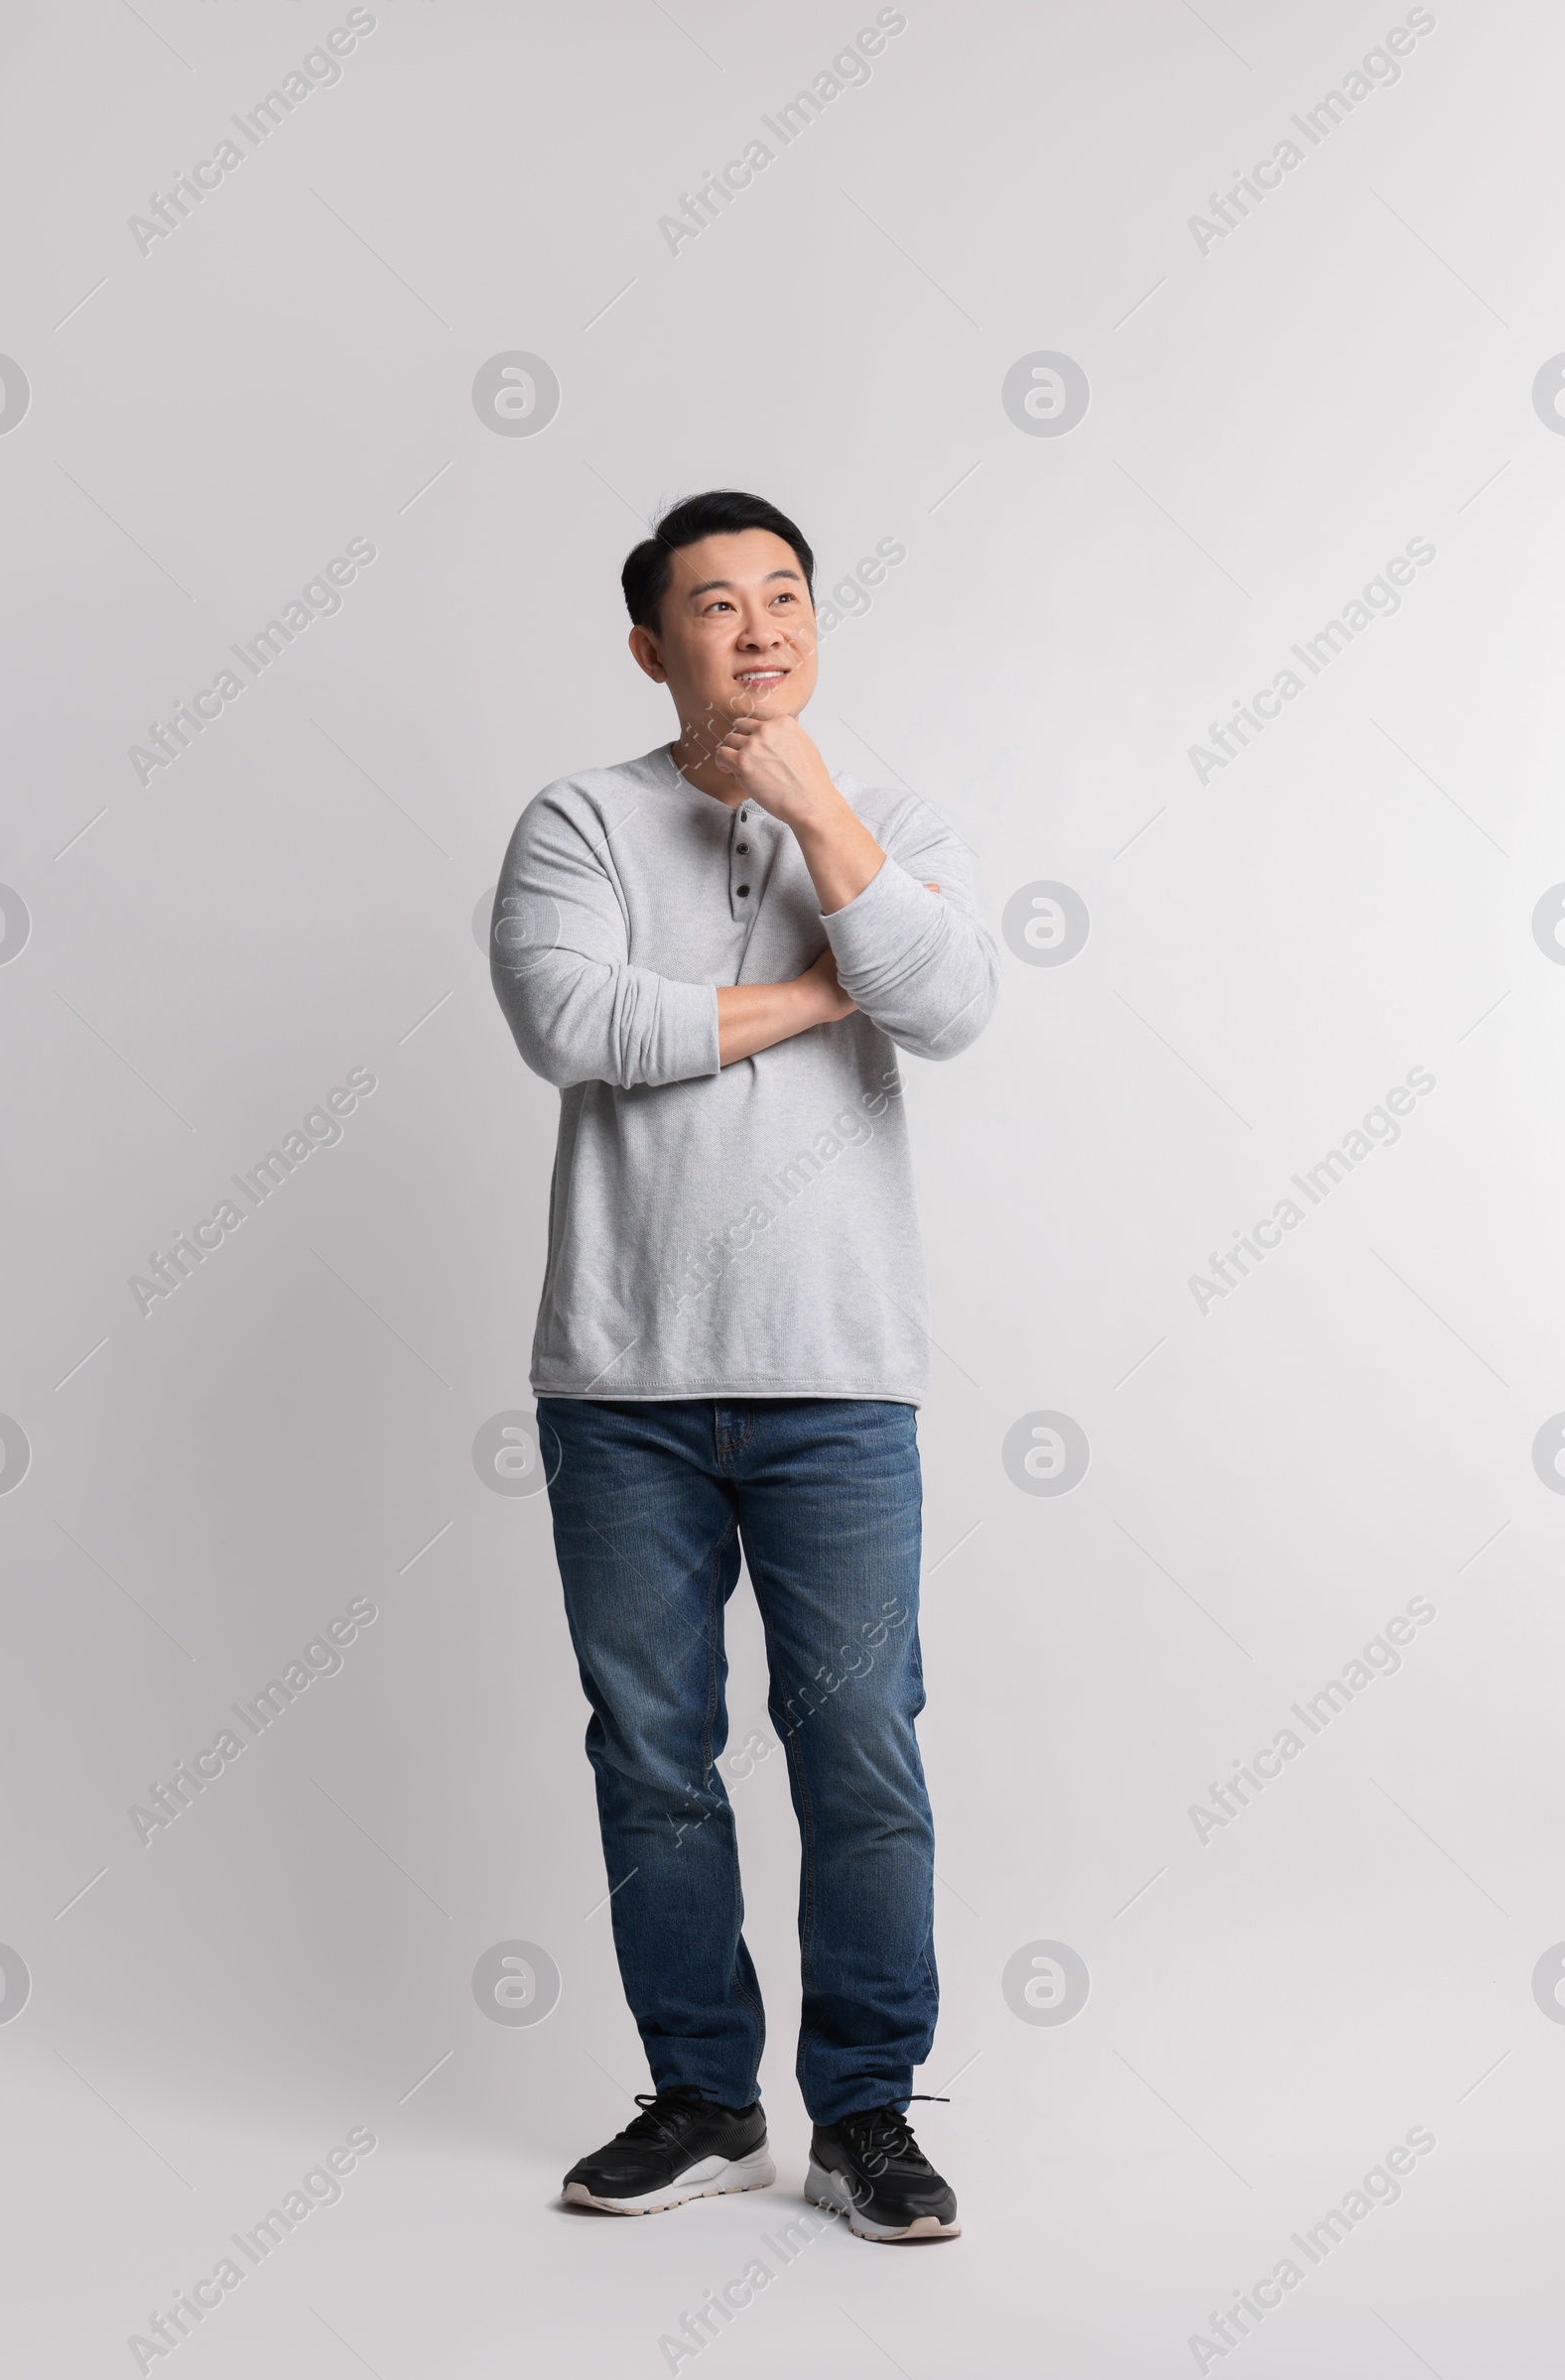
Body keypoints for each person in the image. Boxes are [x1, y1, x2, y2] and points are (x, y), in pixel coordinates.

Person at [491, 489, 998, 2241]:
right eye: (717, 603)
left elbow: (946, 998)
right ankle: (708, 2101)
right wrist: (822, 986)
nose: (760, 626)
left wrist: (819, 822)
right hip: (621, 1383)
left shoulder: (889, 817)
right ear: (655, 645)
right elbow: (580, 1024)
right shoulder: (580, 818)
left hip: (839, 1379)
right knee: (652, 1750)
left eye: (785, 596)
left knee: (860, 1741)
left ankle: (864, 2114)